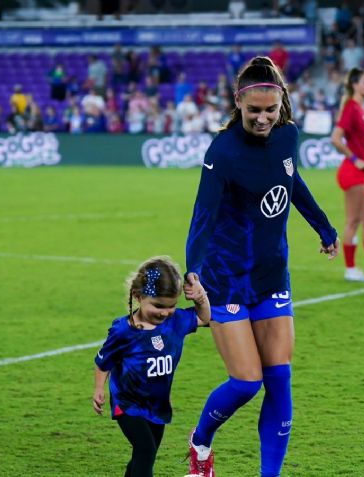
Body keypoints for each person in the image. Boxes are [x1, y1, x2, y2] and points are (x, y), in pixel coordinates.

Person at [184, 56, 339, 477]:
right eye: (254, 111)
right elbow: (204, 214)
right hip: (227, 280)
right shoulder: (223, 152)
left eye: (270, 110)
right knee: (247, 383)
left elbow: (293, 182)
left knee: (280, 379)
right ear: (239, 104)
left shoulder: (288, 136)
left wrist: (323, 227)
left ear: (281, 102)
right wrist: (192, 268)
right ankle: (200, 444)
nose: (263, 118)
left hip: (272, 276)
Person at [92, 256, 211, 477]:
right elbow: (103, 362)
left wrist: (200, 298)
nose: (165, 312)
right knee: (145, 450)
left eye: (171, 306)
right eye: (158, 306)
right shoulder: (123, 331)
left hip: (157, 405)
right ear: (138, 297)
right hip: (127, 404)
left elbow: (204, 318)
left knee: (145, 454)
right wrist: (99, 389)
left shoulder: (175, 323)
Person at [331, 67, 364, 282]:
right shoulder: (351, 108)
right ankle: (350, 269)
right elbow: (336, 138)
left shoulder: (362, 108)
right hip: (354, 173)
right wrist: (354, 159)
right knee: (353, 221)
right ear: (355, 85)